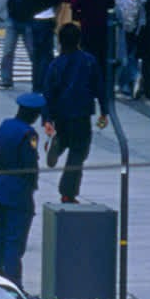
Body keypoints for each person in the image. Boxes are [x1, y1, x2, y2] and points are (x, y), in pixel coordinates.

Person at [0, 93, 45, 286]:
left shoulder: (5, 125)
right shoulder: (28, 134)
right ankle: (13, 284)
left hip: (0, 186)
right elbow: (29, 166)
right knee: (14, 243)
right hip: (18, 192)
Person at [44, 37, 103, 205]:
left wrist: (47, 118)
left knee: (66, 136)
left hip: (61, 114)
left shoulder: (56, 64)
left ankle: (60, 143)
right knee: (78, 153)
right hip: (81, 114)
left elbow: (48, 92)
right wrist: (104, 111)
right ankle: (67, 192)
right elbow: (99, 86)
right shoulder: (89, 61)